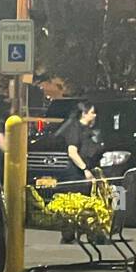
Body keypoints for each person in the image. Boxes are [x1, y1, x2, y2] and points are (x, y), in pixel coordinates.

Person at [56, 100, 104, 244]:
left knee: (88, 204)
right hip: (76, 172)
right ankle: (68, 235)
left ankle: (92, 234)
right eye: (92, 112)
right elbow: (72, 152)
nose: (94, 116)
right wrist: (84, 169)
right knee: (74, 204)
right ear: (84, 113)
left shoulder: (89, 130)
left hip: (88, 169)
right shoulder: (75, 128)